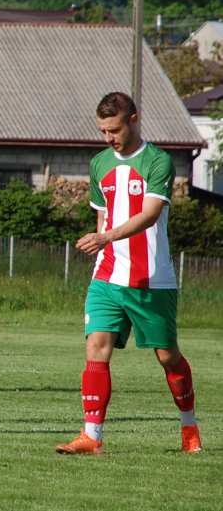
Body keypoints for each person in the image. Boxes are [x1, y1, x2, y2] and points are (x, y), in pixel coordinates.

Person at [55, 92, 201, 454]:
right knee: (96, 348)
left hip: (152, 278)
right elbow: (101, 217)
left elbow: (150, 214)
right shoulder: (99, 164)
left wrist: (105, 235)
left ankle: (189, 427)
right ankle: (92, 436)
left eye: (114, 129)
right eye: (103, 131)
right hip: (107, 276)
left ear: (134, 119)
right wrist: (100, 243)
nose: (109, 138)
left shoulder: (158, 161)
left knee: (168, 357)